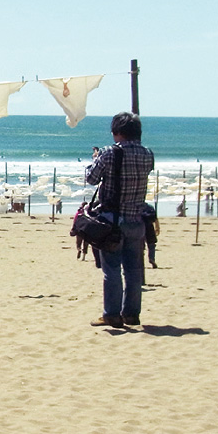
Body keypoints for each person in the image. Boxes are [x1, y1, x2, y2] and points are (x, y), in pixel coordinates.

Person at [85, 112, 155, 328]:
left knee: (112, 270)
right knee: (134, 270)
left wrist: (95, 159)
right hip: (137, 219)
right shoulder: (147, 154)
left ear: (116, 131)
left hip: (112, 220)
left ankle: (112, 315)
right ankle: (131, 314)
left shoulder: (108, 153)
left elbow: (91, 178)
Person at [142, 202, 160, 269]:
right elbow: (155, 218)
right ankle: (152, 258)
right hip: (150, 227)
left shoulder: (138, 207)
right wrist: (157, 227)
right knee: (151, 245)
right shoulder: (150, 207)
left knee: (140, 246)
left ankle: (141, 261)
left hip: (141, 227)